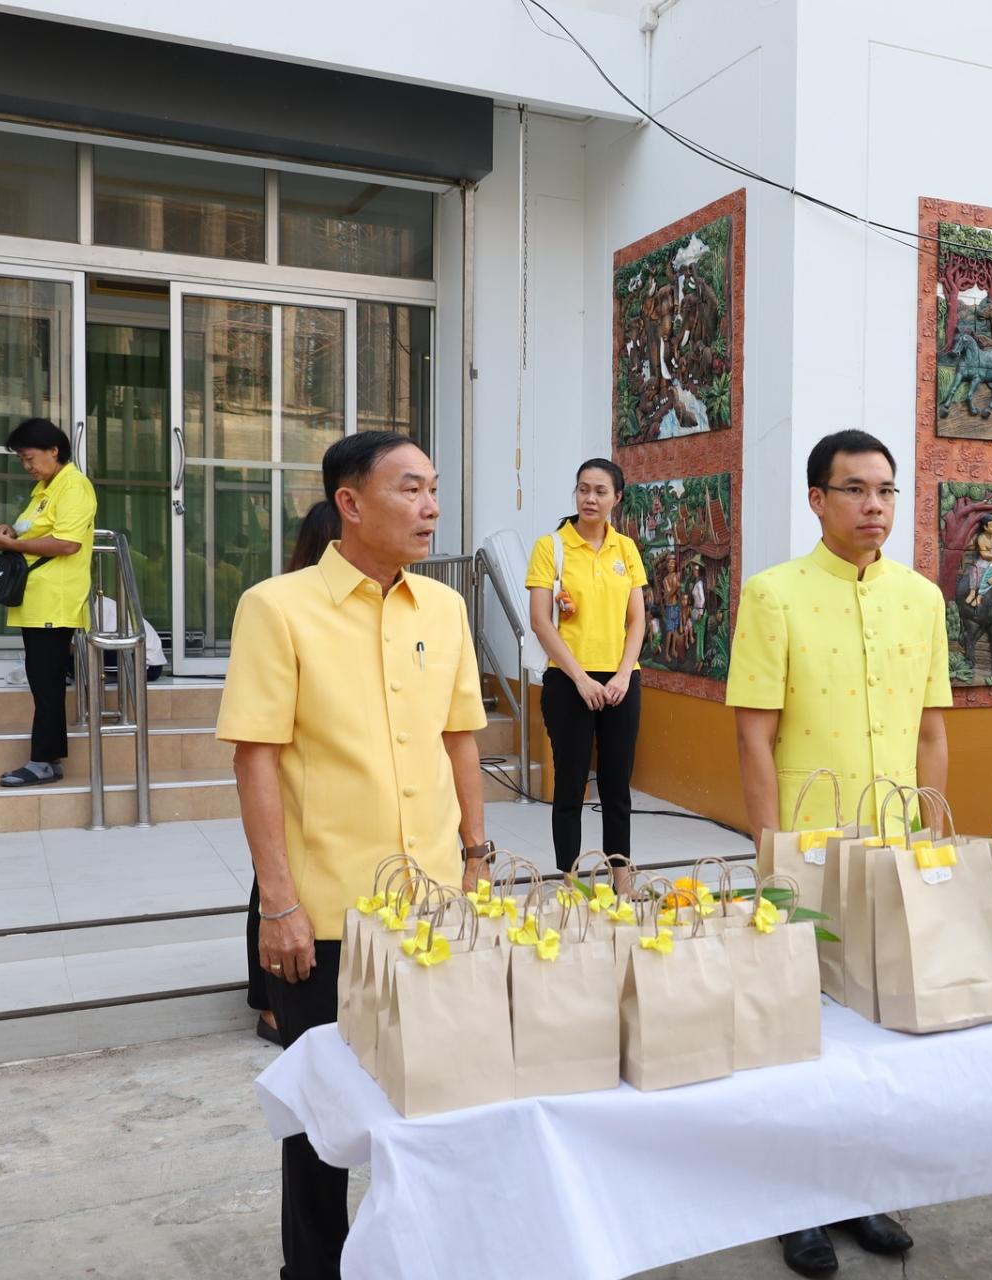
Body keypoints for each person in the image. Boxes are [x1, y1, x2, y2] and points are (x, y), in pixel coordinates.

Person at [218, 430, 490, 1276]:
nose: (431, 507)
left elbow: (461, 740)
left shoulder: (442, 608)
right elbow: (255, 759)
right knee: (320, 1125)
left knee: (441, 1102)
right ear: (350, 503)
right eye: (410, 489)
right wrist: (279, 904)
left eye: (434, 488)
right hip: (329, 916)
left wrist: (476, 859)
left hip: (434, 907)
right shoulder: (277, 608)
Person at [728, 428, 944, 1278]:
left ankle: (862, 1190)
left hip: (893, 848)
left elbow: (932, 733)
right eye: (855, 489)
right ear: (817, 499)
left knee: (877, 1031)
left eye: (885, 491)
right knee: (802, 1030)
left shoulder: (921, 598)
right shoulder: (773, 595)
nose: (874, 506)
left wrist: (928, 839)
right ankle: (797, 1205)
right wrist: (772, 855)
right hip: (806, 852)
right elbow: (754, 736)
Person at [245, 499, 346, 1048]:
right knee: (273, 887)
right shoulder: (281, 608)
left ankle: (266, 998)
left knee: (267, 885)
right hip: (297, 793)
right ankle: (270, 997)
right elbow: (253, 750)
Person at [526, 458, 648, 873]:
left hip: (620, 682)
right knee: (570, 786)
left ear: (617, 498)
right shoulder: (551, 547)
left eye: (599, 491)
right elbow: (541, 621)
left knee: (617, 788)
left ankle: (621, 879)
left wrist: (622, 675)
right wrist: (580, 679)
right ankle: (570, 882)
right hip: (567, 680)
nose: (589, 498)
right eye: (583, 489)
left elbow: (637, 621)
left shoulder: (626, 549)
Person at [0, 418, 96, 789]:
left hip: (55, 601)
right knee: (42, 681)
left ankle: (43, 761)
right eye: (21, 460)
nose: (26, 466)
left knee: (46, 683)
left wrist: (13, 545)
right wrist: (8, 532)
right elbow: (35, 531)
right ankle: (48, 759)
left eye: (29, 458)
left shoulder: (74, 486)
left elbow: (67, 543)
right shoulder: (44, 489)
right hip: (36, 600)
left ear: (53, 451)